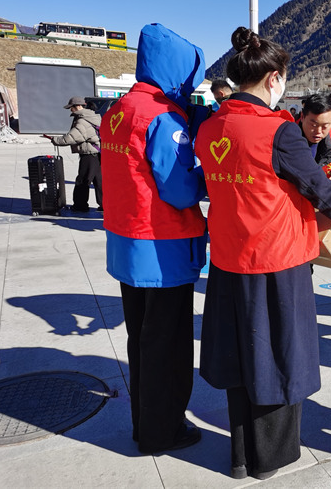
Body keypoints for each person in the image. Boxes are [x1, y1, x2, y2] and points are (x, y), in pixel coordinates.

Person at [194, 27, 331, 481]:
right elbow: (319, 188)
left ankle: (239, 456)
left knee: (240, 356)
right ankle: (268, 458)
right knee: (278, 358)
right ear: (274, 78)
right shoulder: (278, 132)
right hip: (276, 261)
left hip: (228, 259)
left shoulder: (211, 126)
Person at [100, 23, 208, 454]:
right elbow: (179, 189)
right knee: (168, 345)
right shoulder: (164, 118)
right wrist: (206, 175)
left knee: (141, 342)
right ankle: (163, 431)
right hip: (162, 249)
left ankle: (143, 423)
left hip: (127, 244)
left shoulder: (118, 110)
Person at [45, 96, 102, 213]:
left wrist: (55, 140)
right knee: (100, 181)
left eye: (71, 108)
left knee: (83, 180)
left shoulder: (82, 120)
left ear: (77, 106)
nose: (70, 110)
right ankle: (105, 205)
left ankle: (80, 206)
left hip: (89, 154)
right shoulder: (93, 116)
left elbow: (72, 137)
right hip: (98, 153)